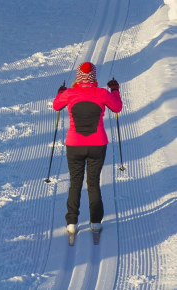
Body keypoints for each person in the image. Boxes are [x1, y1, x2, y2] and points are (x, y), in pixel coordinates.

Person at [53, 62, 122, 234]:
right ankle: (96, 222)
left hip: (74, 145)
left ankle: (71, 223)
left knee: (75, 183)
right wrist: (114, 89)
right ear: (94, 76)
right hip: (97, 145)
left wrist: (60, 92)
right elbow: (117, 107)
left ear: (78, 76)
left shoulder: (70, 93)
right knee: (93, 183)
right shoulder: (102, 93)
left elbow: (56, 106)